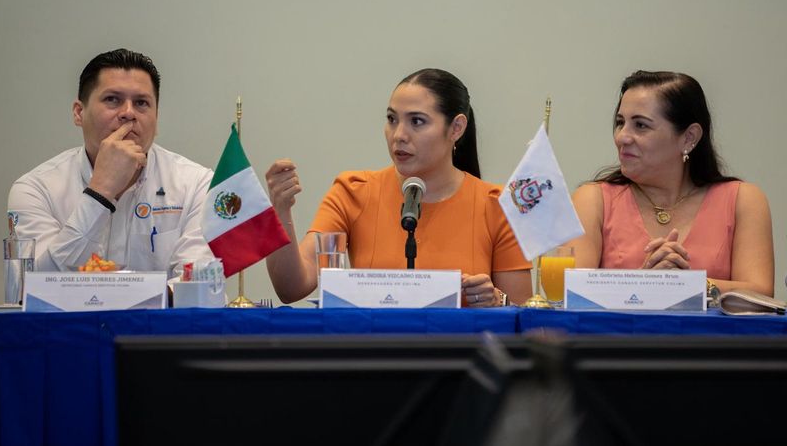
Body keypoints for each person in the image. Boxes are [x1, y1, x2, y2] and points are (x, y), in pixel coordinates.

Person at [265, 68, 532, 306]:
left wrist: (498, 300)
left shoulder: (497, 206)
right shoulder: (353, 192)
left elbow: (526, 318)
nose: (399, 135)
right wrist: (280, 210)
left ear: (456, 128)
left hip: (461, 357)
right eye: (392, 119)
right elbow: (291, 288)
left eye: (417, 121)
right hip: (374, 355)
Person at [7, 48, 213, 275]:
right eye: (112, 100)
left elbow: (197, 285)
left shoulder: (197, 184)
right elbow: (37, 288)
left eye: (141, 103)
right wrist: (100, 192)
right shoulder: (36, 189)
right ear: (79, 113)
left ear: (157, 117)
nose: (128, 113)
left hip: (157, 313)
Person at [569, 70, 774, 295]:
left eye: (640, 125)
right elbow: (572, 293)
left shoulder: (743, 200)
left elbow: (760, 293)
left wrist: (684, 285)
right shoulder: (591, 199)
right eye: (620, 122)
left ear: (689, 137)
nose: (622, 137)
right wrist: (644, 283)